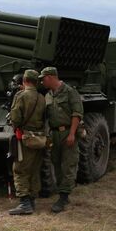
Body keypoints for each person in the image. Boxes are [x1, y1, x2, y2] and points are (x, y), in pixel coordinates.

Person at [39, 67, 84, 213]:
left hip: (67, 133)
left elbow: (77, 114)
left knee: (69, 164)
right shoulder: (48, 95)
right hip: (54, 134)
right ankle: (62, 192)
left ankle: (63, 197)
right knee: (56, 163)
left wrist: (72, 134)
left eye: (43, 78)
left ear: (51, 77)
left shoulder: (70, 92)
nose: (42, 81)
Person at [8, 69, 46, 215]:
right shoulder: (41, 97)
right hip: (39, 138)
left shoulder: (21, 95)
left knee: (20, 169)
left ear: (24, 80)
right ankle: (32, 201)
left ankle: (24, 203)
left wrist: (15, 126)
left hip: (24, 138)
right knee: (34, 170)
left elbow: (15, 118)